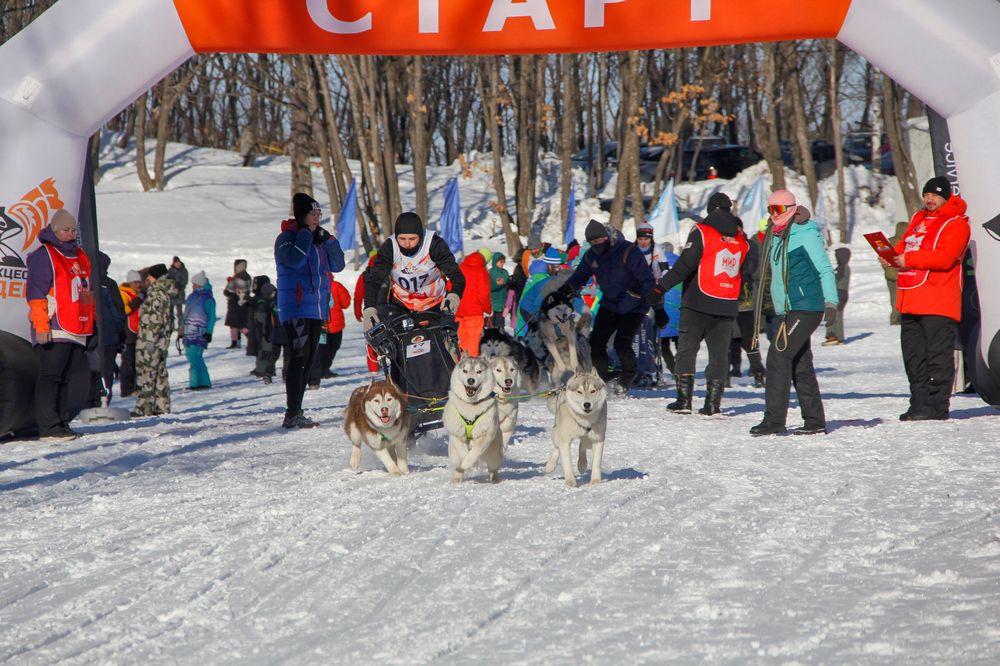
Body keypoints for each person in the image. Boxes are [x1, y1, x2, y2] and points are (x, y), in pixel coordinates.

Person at [647, 192, 747, 414]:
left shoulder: (702, 231)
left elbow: (684, 265)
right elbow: (747, 270)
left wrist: (659, 288)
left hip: (698, 302)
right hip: (727, 304)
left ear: (710, 209)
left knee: (687, 350)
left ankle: (684, 401)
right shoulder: (741, 239)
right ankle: (712, 404)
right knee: (719, 355)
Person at [881, 176, 970, 421]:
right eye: (927, 194)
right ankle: (918, 404)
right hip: (911, 299)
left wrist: (907, 260)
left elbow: (945, 257)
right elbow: (905, 248)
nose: (929, 199)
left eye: (935, 195)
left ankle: (937, 406)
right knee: (913, 356)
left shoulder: (957, 223)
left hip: (938, 299)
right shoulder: (918, 218)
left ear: (946, 197)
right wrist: (891, 257)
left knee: (937, 356)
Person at [750, 191, 838, 436]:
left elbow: (825, 269)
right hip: (786, 309)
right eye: (770, 209)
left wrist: (831, 301)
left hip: (805, 306)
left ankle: (774, 420)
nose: (773, 214)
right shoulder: (775, 235)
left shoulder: (805, 233)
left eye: (778, 209)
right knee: (800, 364)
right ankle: (814, 420)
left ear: (791, 209)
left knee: (778, 356)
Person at [553, 220, 663, 394]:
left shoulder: (627, 250)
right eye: (592, 243)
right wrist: (564, 291)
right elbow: (580, 276)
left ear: (607, 237)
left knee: (621, 344)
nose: (596, 245)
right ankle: (601, 380)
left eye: (599, 241)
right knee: (596, 342)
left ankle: (628, 376)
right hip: (610, 303)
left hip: (634, 305)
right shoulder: (591, 256)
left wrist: (659, 308)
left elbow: (647, 280)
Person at [275, 193, 345, 428]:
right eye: (313, 214)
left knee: (308, 361)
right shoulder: (287, 238)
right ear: (302, 215)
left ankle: (297, 410)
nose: (317, 218)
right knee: (298, 358)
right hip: (295, 308)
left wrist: (330, 241)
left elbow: (339, 265)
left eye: (319, 214)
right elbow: (293, 260)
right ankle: (291, 413)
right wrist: (304, 234)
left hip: (316, 309)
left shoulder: (319, 241)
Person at [25, 210, 95, 440]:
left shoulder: (80, 255)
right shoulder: (44, 255)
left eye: (73, 230)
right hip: (54, 325)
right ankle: (49, 427)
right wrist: (41, 325)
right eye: (66, 229)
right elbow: (36, 293)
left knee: (67, 377)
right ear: (55, 231)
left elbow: (86, 292)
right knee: (51, 376)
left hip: (77, 326)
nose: (70, 233)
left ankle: (62, 423)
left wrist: (90, 324)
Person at [361, 211, 464, 327]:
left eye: (412, 238)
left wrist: (454, 296)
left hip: (435, 305)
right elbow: (375, 280)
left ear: (421, 236)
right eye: (402, 238)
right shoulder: (390, 247)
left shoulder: (434, 244)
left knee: (442, 342)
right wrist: (369, 308)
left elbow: (457, 276)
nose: (407, 244)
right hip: (401, 307)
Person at [132, 263, 177, 417]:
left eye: (150, 276)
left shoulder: (156, 293)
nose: (148, 279)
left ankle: (144, 407)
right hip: (161, 341)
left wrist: (150, 340)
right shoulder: (165, 292)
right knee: (160, 373)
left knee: (147, 373)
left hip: (150, 341)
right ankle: (161, 405)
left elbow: (155, 319)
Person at [728, 218, 766, 387]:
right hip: (727, 297)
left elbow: (751, 269)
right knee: (727, 338)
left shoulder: (750, 245)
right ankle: (726, 373)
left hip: (745, 298)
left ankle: (758, 371)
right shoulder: (725, 244)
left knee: (749, 338)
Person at [308, 274, 351, 388]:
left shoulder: (314, 287)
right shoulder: (336, 286)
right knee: (333, 347)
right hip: (336, 325)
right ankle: (325, 369)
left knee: (321, 349)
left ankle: (320, 370)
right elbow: (346, 303)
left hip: (320, 325)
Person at [94, 251, 126, 404]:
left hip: (89, 334)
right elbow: (118, 312)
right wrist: (121, 335)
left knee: (92, 369)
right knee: (107, 369)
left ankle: (91, 400)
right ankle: (105, 399)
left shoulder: (84, 280)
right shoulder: (110, 284)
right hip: (110, 335)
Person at [181, 270, 215, 390]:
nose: (192, 286)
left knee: (195, 358)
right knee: (193, 358)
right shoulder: (191, 297)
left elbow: (211, 318)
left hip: (200, 334)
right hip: (188, 333)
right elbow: (185, 315)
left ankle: (196, 383)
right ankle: (203, 382)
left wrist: (209, 333)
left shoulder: (208, 299)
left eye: (194, 284)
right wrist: (181, 329)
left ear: (199, 284)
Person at [455, 250, 492, 356]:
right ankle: (472, 368)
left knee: (463, 340)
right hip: (474, 312)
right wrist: (488, 309)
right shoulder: (481, 271)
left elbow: (450, 286)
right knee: (474, 342)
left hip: (459, 311)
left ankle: (462, 365)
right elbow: (484, 294)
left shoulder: (460, 267)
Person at [118, 269, 143, 397]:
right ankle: (126, 390)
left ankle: (135, 387)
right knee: (127, 362)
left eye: (139, 282)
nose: (138, 285)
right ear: (129, 282)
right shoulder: (123, 294)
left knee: (136, 362)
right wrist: (138, 301)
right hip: (127, 334)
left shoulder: (136, 294)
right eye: (135, 282)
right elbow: (124, 310)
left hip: (137, 333)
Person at [823, 247, 851, 345]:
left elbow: (834, 280)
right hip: (842, 293)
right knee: (838, 314)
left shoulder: (841, 268)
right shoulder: (845, 267)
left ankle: (833, 335)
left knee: (833, 314)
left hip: (838, 293)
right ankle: (839, 337)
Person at [883, 221, 908, 325]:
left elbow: (882, 257)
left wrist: (886, 269)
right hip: (901, 275)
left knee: (893, 297)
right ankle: (898, 317)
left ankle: (894, 316)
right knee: (901, 297)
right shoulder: (907, 242)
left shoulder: (889, 241)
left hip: (889, 274)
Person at [224, 260, 251, 349]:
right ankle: (247, 339)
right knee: (241, 324)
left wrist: (229, 283)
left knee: (235, 325)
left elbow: (228, 291)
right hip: (245, 304)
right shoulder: (248, 277)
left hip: (235, 304)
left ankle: (236, 342)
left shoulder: (236, 278)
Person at [166, 255, 188, 342]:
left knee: (179, 311)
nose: (178, 264)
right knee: (170, 311)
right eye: (176, 262)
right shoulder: (170, 270)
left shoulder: (184, 270)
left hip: (180, 293)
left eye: (178, 262)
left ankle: (181, 326)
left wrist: (179, 287)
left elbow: (185, 281)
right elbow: (168, 280)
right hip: (172, 294)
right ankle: (171, 325)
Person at [488, 251, 509, 329]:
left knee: (501, 325)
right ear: (495, 262)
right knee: (493, 326)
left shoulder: (505, 272)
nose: (502, 263)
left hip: (502, 303)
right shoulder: (490, 272)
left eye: (503, 262)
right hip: (493, 303)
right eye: (500, 262)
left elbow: (507, 285)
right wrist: (497, 284)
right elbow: (488, 287)